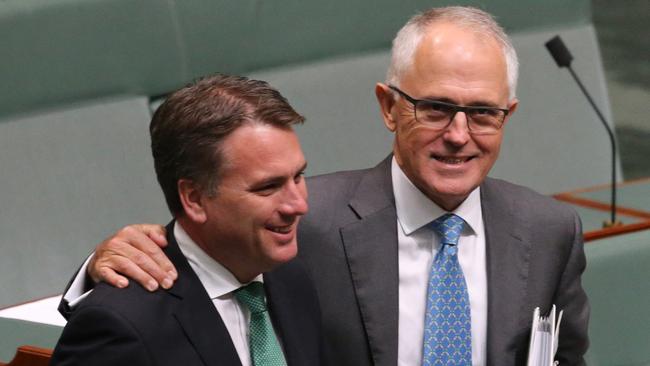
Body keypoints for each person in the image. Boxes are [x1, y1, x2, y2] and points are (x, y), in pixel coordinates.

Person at [59, 6, 589, 366]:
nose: (458, 135)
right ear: (389, 106)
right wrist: (98, 268)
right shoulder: (305, 228)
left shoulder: (549, 231)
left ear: (508, 115)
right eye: (436, 108)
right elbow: (197, 259)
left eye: (482, 113)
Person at [51, 74, 324, 366]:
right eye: (267, 187)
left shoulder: (292, 276)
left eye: (298, 177)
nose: (299, 205)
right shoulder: (122, 325)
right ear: (194, 198)